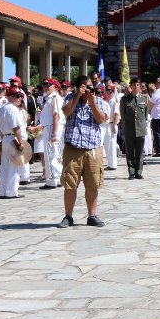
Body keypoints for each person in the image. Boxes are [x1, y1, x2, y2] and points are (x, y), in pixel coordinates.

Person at [59, 76, 107, 228]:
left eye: (91, 86)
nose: (89, 89)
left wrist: (91, 101)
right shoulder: (70, 97)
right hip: (73, 148)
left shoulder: (99, 101)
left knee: (92, 184)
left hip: (92, 148)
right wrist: (77, 96)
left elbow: (101, 120)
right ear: (78, 87)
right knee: (70, 184)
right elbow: (66, 112)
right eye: (86, 86)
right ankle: (68, 216)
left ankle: (92, 215)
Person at [27, 78, 64, 189]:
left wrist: (54, 133)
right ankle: (55, 179)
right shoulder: (48, 99)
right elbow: (47, 119)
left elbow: (56, 116)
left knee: (53, 154)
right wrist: (37, 128)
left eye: (48, 85)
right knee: (50, 154)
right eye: (44, 85)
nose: (45, 87)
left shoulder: (55, 98)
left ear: (55, 87)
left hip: (53, 128)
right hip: (49, 127)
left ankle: (54, 179)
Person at [0, 86, 27, 199]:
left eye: (20, 97)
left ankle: (3, 192)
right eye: (17, 96)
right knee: (15, 165)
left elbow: (0, 128)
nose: (19, 99)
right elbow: (16, 128)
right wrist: (20, 142)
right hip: (13, 138)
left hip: (5, 138)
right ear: (10, 97)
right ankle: (12, 192)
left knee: (5, 166)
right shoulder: (13, 109)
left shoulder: (3, 108)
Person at [119, 78, 149, 180]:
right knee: (130, 151)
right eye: (134, 85)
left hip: (140, 128)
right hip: (129, 128)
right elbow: (123, 115)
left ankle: (139, 171)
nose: (136, 87)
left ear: (140, 86)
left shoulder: (144, 99)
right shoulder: (125, 99)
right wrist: (124, 127)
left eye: (137, 85)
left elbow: (145, 116)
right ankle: (131, 172)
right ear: (130, 87)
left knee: (140, 151)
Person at [103, 84, 120, 170]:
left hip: (111, 124)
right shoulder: (107, 101)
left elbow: (116, 114)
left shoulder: (114, 101)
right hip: (107, 124)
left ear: (113, 91)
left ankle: (113, 164)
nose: (107, 92)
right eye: (107, 90)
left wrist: (114, 125)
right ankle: (109, 163)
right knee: (107, 145)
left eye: (109, 90)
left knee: (112, 145)